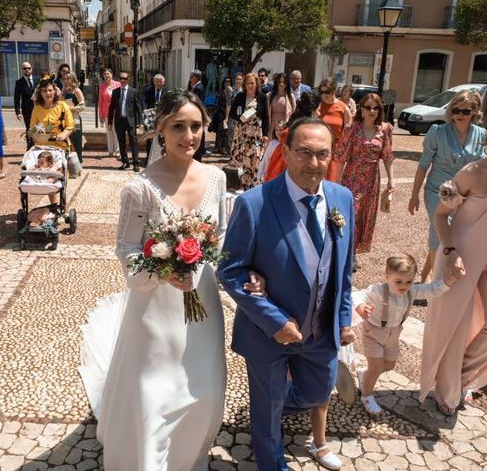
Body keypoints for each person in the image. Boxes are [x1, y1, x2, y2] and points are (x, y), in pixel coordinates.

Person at [79, 90, 264, 470]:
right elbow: (127, 249)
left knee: (204, 387)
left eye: (196, 126)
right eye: (178, 126)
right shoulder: (140, 188)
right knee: (156, 391)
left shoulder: (215, 177)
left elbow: (224, 237)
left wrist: (238, 273)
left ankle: (190, 451)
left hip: (203, 303)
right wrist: (164, 270)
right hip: (155, 309)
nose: (189, 135)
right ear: (161, 129)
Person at [218, 117, 355, 471]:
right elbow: (230, 270)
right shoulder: (254, 203)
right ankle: (271, 458)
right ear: (286, 151)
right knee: (267, 411)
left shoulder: (343, 198)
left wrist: (342, 320)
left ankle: (271, 406)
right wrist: (274, 321)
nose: (314, 163)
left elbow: (343, 268)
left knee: (316, 393)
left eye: (322, 154)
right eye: (304, 153)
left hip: (320, 333)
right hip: (268, 334)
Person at [419, 109, 487, 416]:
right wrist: (450, 251)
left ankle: (460, 377)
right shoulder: (471, 173)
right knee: (455, 327)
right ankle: (448, 391)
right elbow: (441, 214)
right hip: (459, 256)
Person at [353, 253, 458, 415]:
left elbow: (431, 290)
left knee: (389, 365)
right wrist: (360, 306)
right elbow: (358, 294)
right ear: (387, 277)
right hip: (373, 333)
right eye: (398, 281)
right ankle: (367, 396)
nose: (404, 286)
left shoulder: (412, 291)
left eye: (409, 281)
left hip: (394, 335)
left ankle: (365, 376)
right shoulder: (379, 290)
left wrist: (448, 281)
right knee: (377, 366)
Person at [408, 90, 486, 282]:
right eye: (456, 110)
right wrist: (414, 194)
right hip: (439, 191)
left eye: (466, 111)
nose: (460, 115)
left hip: (468, 194)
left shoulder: (481, 134)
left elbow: (483, 168)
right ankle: (437, 285)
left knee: (451, 235)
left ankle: (425, 276)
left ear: (474, 112)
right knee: (441, 232)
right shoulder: (438, 132)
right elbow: (423, 165)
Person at [334, 93, 394, 270]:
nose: (372, 111)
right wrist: (336, 183)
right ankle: (345, 253)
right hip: (352, 177)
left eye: (376, 108)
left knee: (363, 218)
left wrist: (391, 180)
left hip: (372, 179)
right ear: (361, 108)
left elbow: (388, 156)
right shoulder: (352, 128)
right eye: (368, 107)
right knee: (350, 215)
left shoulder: (383, 129)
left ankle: (351, 255)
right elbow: (340, 157)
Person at [263, 91, 322, 183]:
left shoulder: (297, 127)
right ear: (311, 112)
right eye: (318, 110)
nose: (319, 114)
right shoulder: (297, 131)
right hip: (288, 172)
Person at [229, 72, 270, 190]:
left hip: (256, 132)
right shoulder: (240, 96)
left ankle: (254, 184)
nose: (250, 85)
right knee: (242, 157)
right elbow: (232, 113)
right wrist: (242, 117)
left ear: (256, 84)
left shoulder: (262, 97)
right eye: (248, 83)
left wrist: (266, 134)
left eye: (252, 83)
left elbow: (266, 117)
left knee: (255, 158)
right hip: (242, 131)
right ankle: (241, 184)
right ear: (244, 84)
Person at [107, 71, 143, 172]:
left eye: (124, 78)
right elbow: (111, 108)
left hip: (130, 121)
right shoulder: (116, 91)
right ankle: (125, 162)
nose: (122, 80)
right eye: (121, 78)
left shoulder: (134, 92)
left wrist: (140, 122)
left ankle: (135, 163)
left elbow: (138, 108)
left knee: (133, 142)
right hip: (119, 121)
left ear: (128, 80)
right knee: (121, 143)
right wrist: (110, 122)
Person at [29, 73, 74, 152]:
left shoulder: (62, 106)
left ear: (54, 91)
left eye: (50, 90)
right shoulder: (37, 108)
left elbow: (70, 127)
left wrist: (63, 135)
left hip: (60, 146)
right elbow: (32, 128)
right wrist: (33, 135)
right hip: (42, 148)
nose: (48, 93)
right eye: (44, 91)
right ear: (41, 93)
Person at [318, 77, 350, 183]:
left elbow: (348, 134)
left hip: (336, 152)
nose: (324, 95)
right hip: (318, 149)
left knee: (332, 182)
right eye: (321, 92)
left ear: (334, 91)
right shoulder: (317, 106)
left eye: (327, 92)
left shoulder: (343, 108)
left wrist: (343, 153)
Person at [62, 71, 86, 168]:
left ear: (72, 79)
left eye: (68, 78)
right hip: (65, 120)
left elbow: (83, 106)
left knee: (76, 143)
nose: (66, 81)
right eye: (65, 79)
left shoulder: (77, 91)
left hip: (74, 119)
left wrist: (71, 109)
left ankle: (78, 166)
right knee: (67, 143)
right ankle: (68, 166)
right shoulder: (64, 90)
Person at [98, 68, 121, 158]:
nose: (107, 76)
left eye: (108, 74)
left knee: (117, 132)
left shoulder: (118, 84)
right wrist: (101, 116)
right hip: (107, 112)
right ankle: (110, 151)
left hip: (117, 112)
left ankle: (117, 151)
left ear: (111, 74)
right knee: (109, 132)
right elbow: (100, 102)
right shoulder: (102, 87)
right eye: (105, 74)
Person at [267, 72, 296, 141]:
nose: (281, 84)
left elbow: (294, 112)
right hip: (272, 124)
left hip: (285, 124)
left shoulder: (290, 96)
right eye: (279, 82)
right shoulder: (270, 95)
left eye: (283, 82)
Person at [14, 61, 36, 149]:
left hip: (39, 108)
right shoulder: (19, 82)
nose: (27, 70)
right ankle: (30, 147)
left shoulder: (38, 79)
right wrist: (18, 112)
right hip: (27, 110)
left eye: (28, 68)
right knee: (29, 128)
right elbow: (16, 97)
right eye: (25, 68)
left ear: (31, 69)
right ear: (22, 70)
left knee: (40, 127)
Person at [212, 76, 234, 155]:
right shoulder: (221, 92)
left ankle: (225, 148)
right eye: (226, 81)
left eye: (229, 81)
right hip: (221, 114)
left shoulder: (232, 91)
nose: (227, 83)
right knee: (220, 131)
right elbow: (217, 103)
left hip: (229, 114)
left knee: (227, 132)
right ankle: (220, 148)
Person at [189, 70, 207, 161]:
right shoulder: (196, 87)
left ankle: (198, 156)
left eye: (191, 77)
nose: (190, 79)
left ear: (195, 78)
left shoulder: (198, 88)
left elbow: (198, 103)